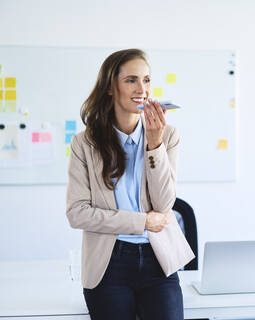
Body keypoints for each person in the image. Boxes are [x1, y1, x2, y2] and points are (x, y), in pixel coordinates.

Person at [66, 48, 183, 320]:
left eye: (146, 80)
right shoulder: (85, 144)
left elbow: (165, 204)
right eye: (131, 80)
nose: (141, 88)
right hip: (109, 265)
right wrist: (141, 222)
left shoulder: (168, 135)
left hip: (159, 261)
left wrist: (154, 145)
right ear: (110, 87)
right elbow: (77, 213)